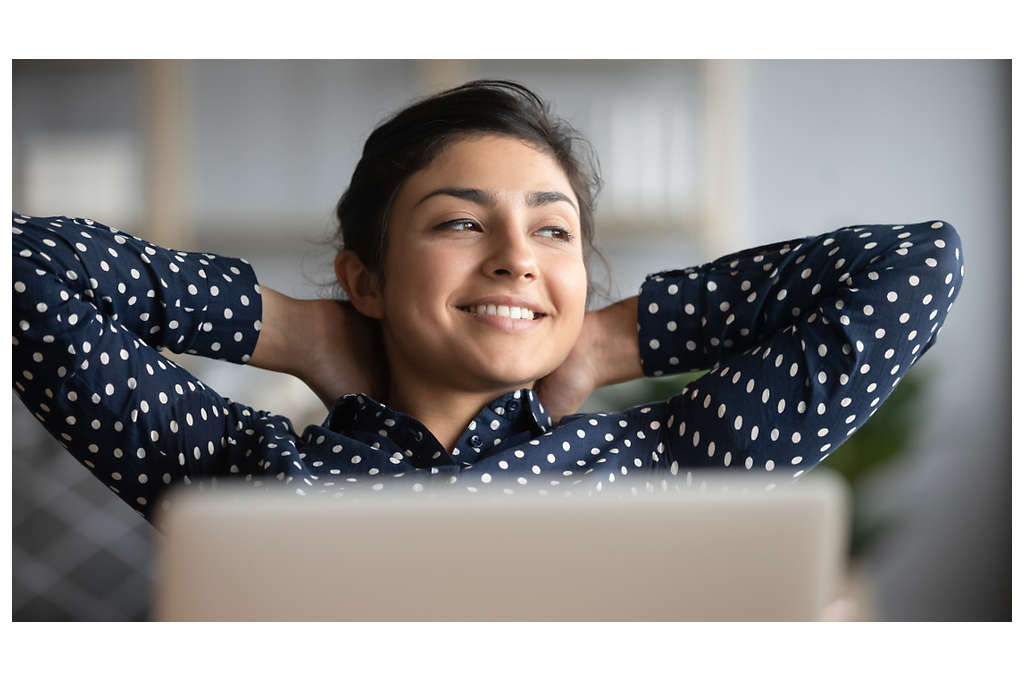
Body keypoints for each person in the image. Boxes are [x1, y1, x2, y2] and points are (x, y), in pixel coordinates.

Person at [12, 80, 964, 524]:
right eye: (461, 224)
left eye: (553, 231)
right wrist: (298, 330)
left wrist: (603, 343)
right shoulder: (239, 472)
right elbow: (23, 269)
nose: (517, 258)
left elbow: (916, 267)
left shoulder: (667, 463)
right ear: (366, 280)